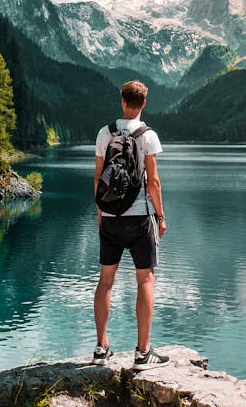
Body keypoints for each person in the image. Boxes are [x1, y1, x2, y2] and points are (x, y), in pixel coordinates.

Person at [92, 80, 169, 370]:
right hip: (140, 219)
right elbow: (154, 183)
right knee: (145, 280)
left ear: (122, 101)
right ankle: (142, 352)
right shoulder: (148, 136)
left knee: (106, 281)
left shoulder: (104, 133)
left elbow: (98, 177)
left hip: (110, 218)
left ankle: (101, 348)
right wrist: (159, 217)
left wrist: (101, 210)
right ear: (143, 104)